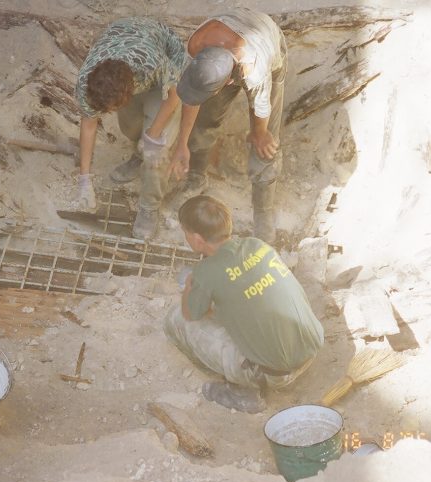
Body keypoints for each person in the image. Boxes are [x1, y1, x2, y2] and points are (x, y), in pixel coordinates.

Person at [164, 195, 323, 412]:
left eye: (186, 234)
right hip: (310, 351)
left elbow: (190, 313)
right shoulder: (257, 245)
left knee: (175, 320)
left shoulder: (206, 272)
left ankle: (241, 390)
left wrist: (190, 286)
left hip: (276, 375)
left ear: (198, 240)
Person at [169, 10, 287, 244]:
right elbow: (193, 97)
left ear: (226, 82)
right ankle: (196, 177)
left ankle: (263, 213)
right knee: (205, 120)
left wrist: (258, 133)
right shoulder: (197, 45)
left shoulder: (256, 71)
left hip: (268, 48)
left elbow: (260, 110)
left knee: (265, 144)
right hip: (231, 46)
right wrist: (182, 144)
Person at [75, 17, 187, 239]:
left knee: (156, 150)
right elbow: (88, 127)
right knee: (130, 126)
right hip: (124, 49)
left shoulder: (152, 64)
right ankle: (138, 155)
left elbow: (174, 96)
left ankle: (149, 208)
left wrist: (152, 135)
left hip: (162, 66)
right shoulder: (87, 83)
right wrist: (84, 179)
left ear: (129, 91)